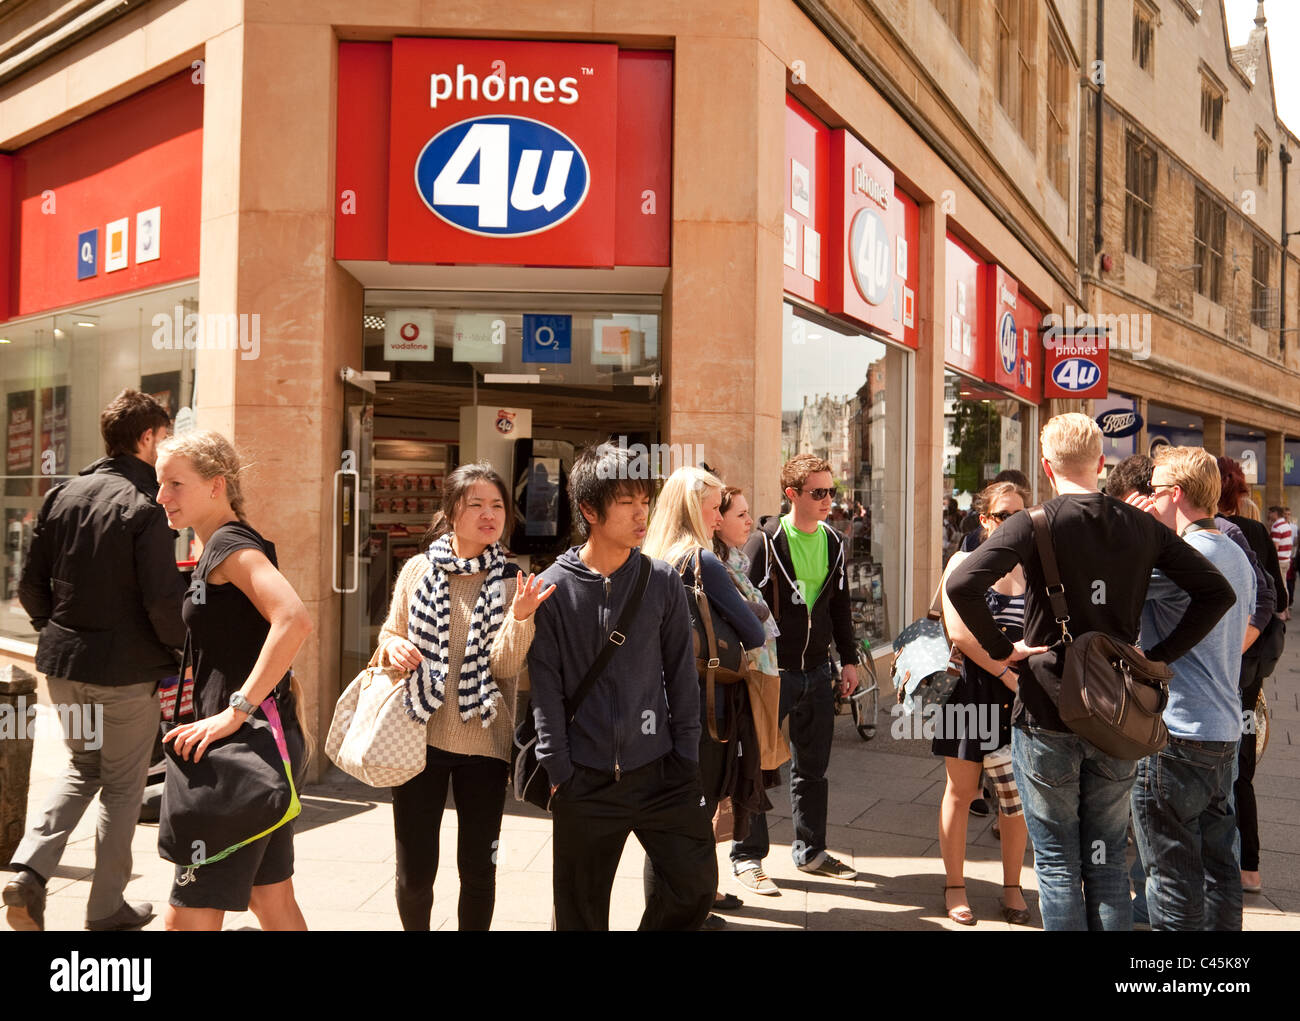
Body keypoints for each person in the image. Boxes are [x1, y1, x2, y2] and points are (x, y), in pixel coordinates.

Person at [946, 414, 1235, 931]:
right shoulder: (1142, 525)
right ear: (1102, 463)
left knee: (1057, 861)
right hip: (1115, 710)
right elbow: (1218, 593)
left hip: (1045, 706)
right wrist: (1160, 655)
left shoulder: (1033, 522)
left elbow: (963, 582)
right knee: (1105, 862)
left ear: (1045, 466)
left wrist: (1002, 648)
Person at [5, 390, 186, 932]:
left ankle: (28, 873)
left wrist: (57, 634)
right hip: (124, 673)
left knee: (83, 768)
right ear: (148, 437)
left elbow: (29, 589)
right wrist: (181, 649)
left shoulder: (63, 494)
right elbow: (161, 600)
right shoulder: (143, 506)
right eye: (164, 436)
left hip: (63, 666)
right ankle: (106, 907)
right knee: (124, 786)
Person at [528, 441, 716, 931]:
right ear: (590, 509)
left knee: (693, 887)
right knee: (580, 915)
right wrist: (559, 766)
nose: (642, 514)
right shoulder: (552, 587)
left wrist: (686, 755)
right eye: (627, 502)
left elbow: (681, 674)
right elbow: (545, 685)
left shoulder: (661, 581)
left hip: (661, 771)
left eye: (645, 501)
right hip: (584, 779)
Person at [374, 463, 553, 930]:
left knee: (478, 871)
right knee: (415, 873)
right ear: (452, 511)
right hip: (416, 739)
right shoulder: (417, 570)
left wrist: (520, 618)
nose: (489, 514)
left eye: (497, 505)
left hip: (484, 744)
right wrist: (391, 644)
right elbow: (390, 636)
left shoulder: (513, 581)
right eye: (476, 504)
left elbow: (505, 668)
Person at [154, 431, 314, 931]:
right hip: (259, 750)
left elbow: (294, 618)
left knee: (188, 918)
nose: (163, 497)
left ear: (216, 485)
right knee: (272, 900)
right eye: (161, 484)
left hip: (239, 754)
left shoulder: (228, 544)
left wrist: (235, 709)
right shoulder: (218, 545)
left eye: (176, 484)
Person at [1124, 447, 1253, 931]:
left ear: (1176, 494)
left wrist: (1130, 530)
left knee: (1171, 874)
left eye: (1153, 493)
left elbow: (1116, 591)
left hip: (1175, 736)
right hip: (1223, 731)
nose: (1149, 502)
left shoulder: (1188, 557)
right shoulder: (1236, 553)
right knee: (1220, 871)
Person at [640, 468, 766, 929]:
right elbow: (754, 633)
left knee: (665, 824)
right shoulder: (702, 561)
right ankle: (687, 915)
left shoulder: (652, 555)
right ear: (693, 508)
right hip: (705, 709)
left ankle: (670, 913)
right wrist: (749, 607)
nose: (717, 517)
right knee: (696, 818)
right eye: (713, 508)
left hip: (657, 709)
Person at [731, 454, 860, 894]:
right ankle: (748, 858)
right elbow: (740, 604)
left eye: (831, 492)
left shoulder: (836, 542)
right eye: (818, 493)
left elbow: (841, 607)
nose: (828, 501)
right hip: (773, 672)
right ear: (792, 495)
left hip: (817, 671)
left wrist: (849, 658)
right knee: (757, 766)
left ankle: (811, 851)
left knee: (813, 768)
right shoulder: (764, 543)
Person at [934, 480, 1032, 926]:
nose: (1014, 523)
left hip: (1020, 697)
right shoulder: (962, 562)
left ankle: (1012, 886)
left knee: (1015, 800)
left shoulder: (1032, 568)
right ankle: (955, 885)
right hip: (971, 691)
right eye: (1004, 515)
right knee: (961, 791)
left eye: (1021, 515)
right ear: (985, 519)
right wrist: (1009, 675)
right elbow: (959, 635)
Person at [1218, 458, 1287, 897]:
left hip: (1219, 668)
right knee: (1240, 767)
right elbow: (1278, 599)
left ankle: (1220, 862)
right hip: (1247, 673)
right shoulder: (1256, 533)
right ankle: (1249, 868)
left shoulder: (1204, 536)